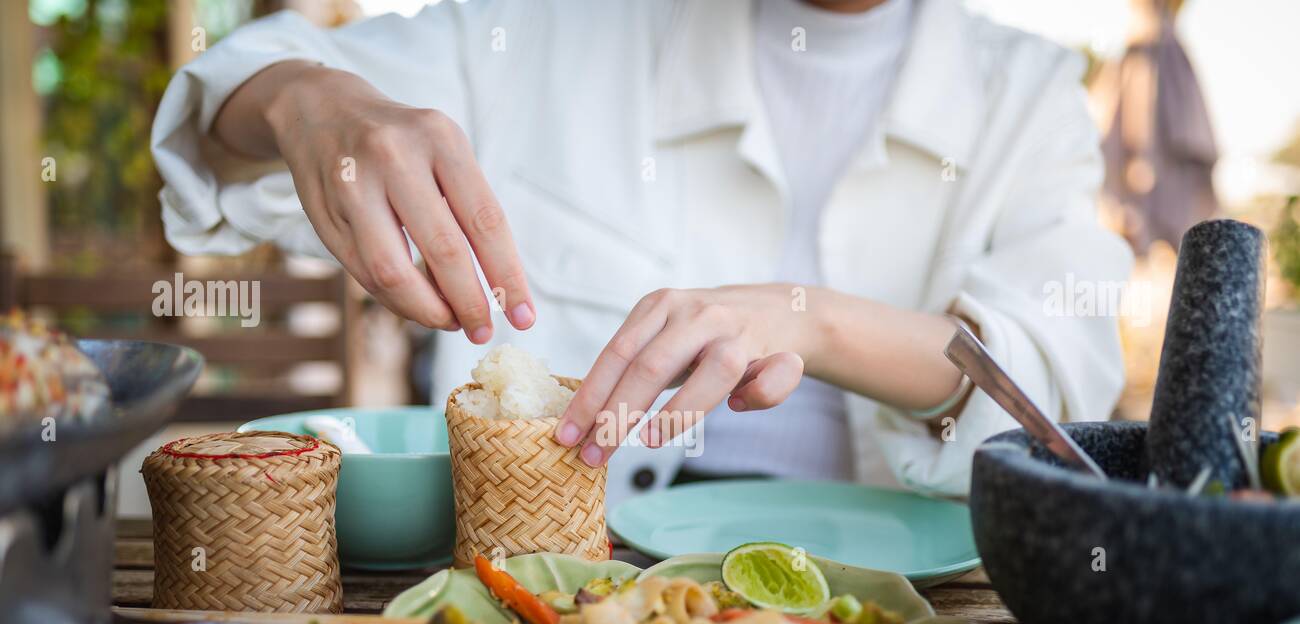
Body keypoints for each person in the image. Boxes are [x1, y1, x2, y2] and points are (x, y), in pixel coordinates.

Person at [151, 0, 1131, 501]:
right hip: (561, 619)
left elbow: (1053, 392)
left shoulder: (1027, 93)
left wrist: (807, 318)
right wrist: (302, 101)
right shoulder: (549, 31)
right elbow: (228, 121)